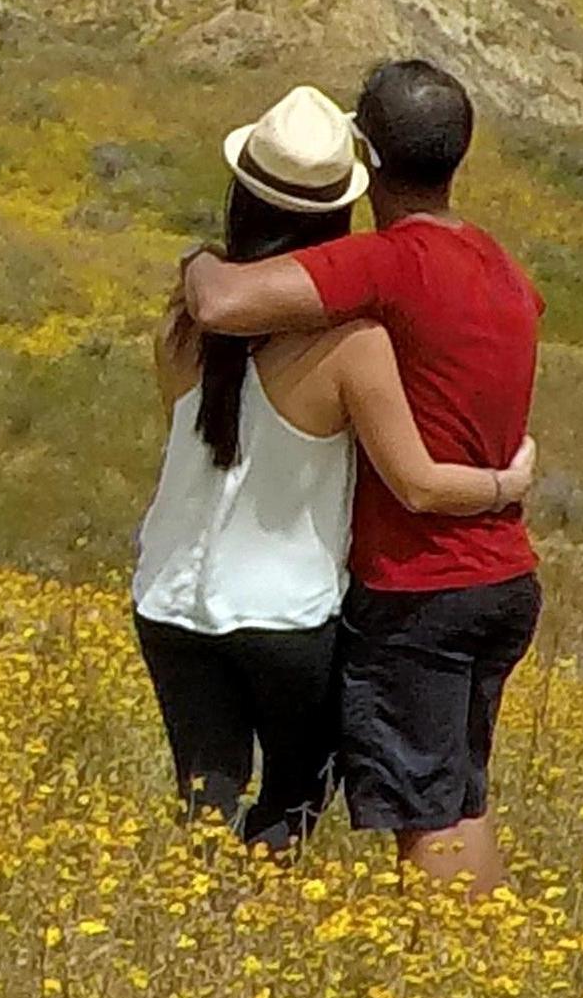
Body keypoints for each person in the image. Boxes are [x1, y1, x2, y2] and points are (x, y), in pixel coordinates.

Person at [136, 83, 536, 853]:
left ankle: (191, 934)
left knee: (204, 796)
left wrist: (198, 260)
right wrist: (503, 484)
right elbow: (414, 477)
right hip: (286, 611)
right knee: (295, 794)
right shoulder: (352, 346)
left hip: (169, 597)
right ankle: (258, 928)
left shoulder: (179, 326)